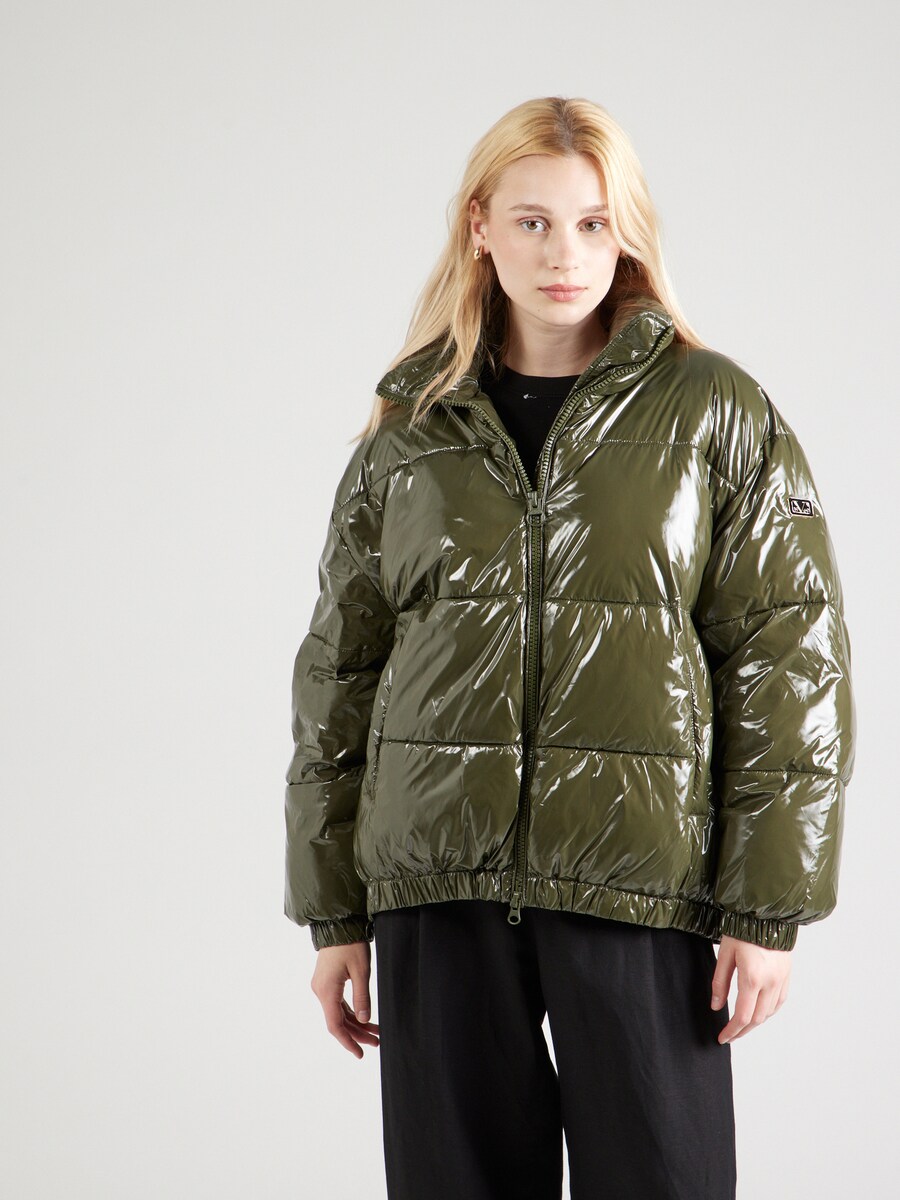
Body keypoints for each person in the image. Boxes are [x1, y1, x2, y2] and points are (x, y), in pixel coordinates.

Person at [283, 96, 856, 1200]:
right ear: (480, 227)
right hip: (438, 882)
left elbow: (790, 659)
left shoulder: (715, 411)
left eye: (594, 223)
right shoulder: (410, 427)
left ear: (626, 233)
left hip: (637, 884)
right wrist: (336, 911)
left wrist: (766, 908)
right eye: (535, 222)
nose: (565, 254)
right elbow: (340, 672)